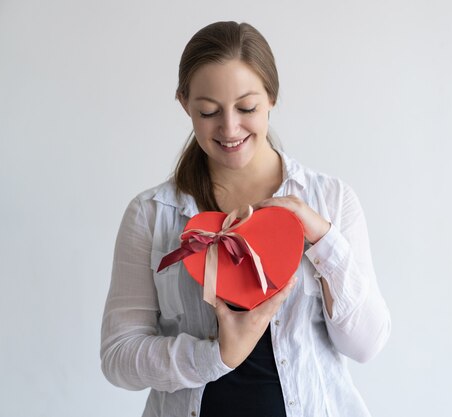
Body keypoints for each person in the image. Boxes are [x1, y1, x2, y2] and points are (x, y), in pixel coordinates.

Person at [100, 21, 391, 417]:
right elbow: (119, 356)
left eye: (247, 107)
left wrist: (323, 241)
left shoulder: (332, 201)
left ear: (271, 97)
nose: (230, 127)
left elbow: (366, 345)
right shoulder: (151, 214)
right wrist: (215, 355)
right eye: (208, 111)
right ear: (184, 102)